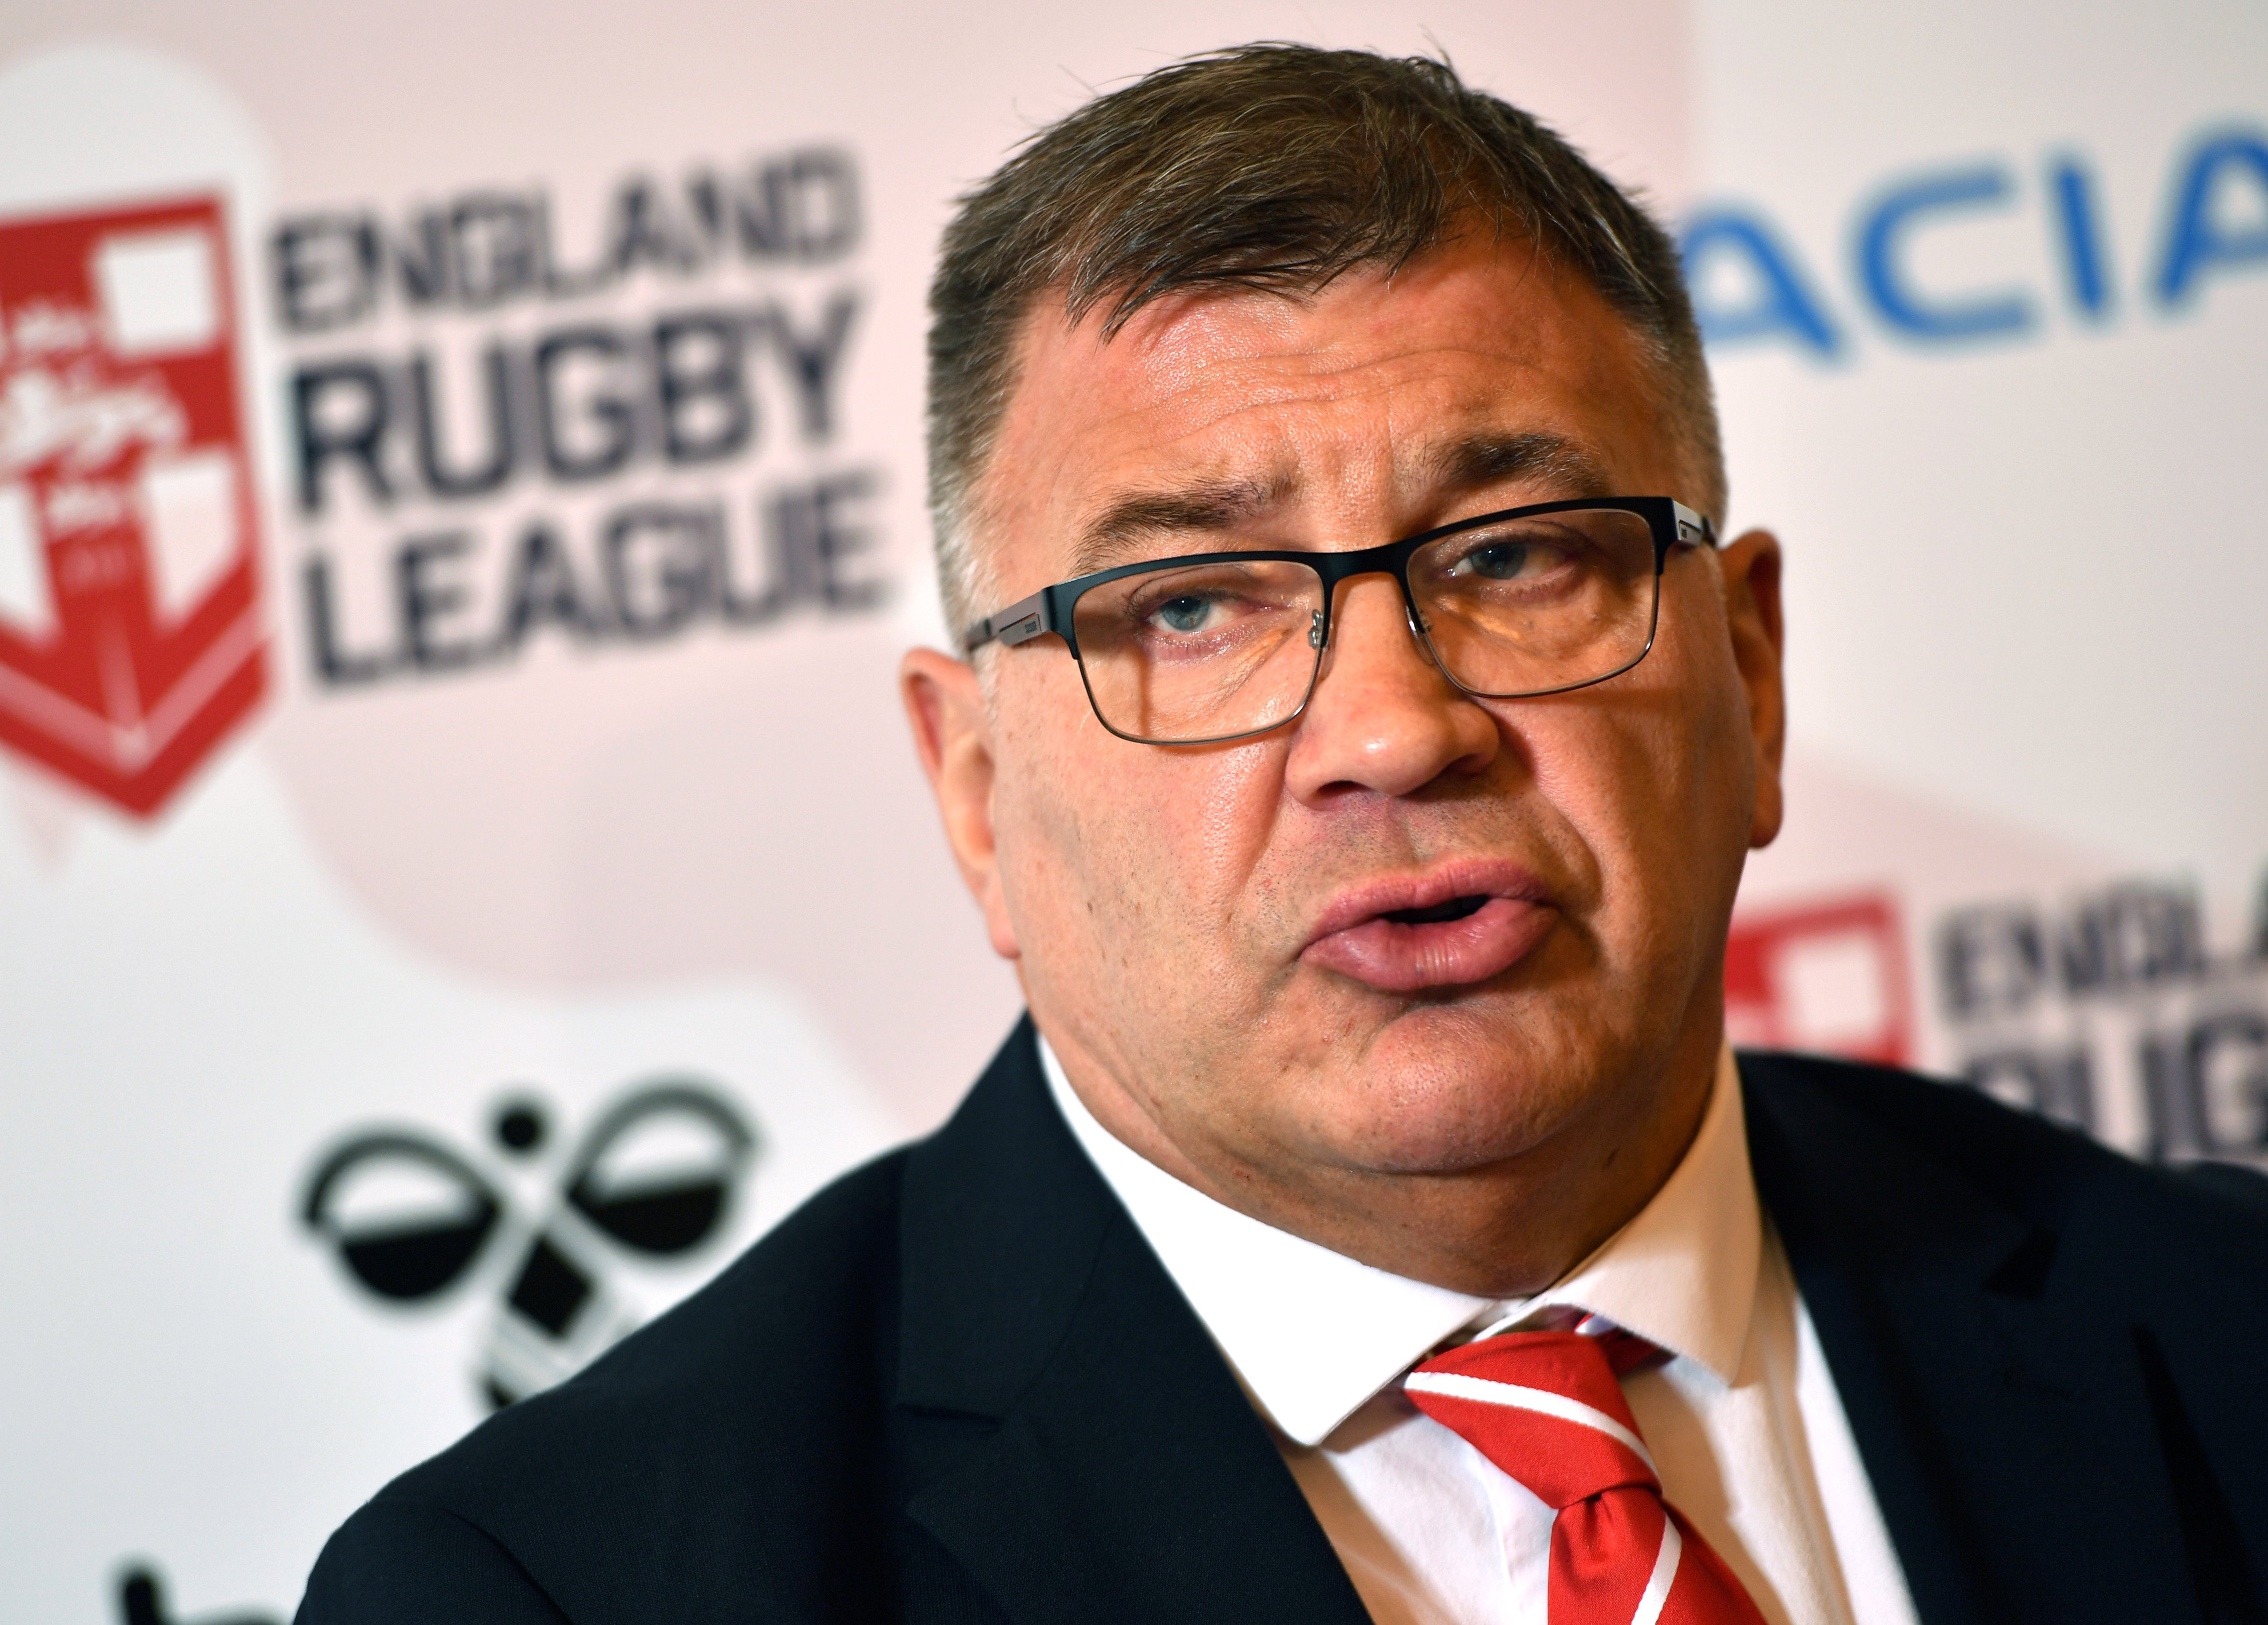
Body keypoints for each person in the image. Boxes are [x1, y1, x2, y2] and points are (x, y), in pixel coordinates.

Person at [298, 44, 2268, 1625]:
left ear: (1746, 673)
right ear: (978, 797)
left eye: (1516, 557)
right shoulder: (566, 1588)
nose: (1398, 727)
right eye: (1192, 608)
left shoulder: (2221, 1330)